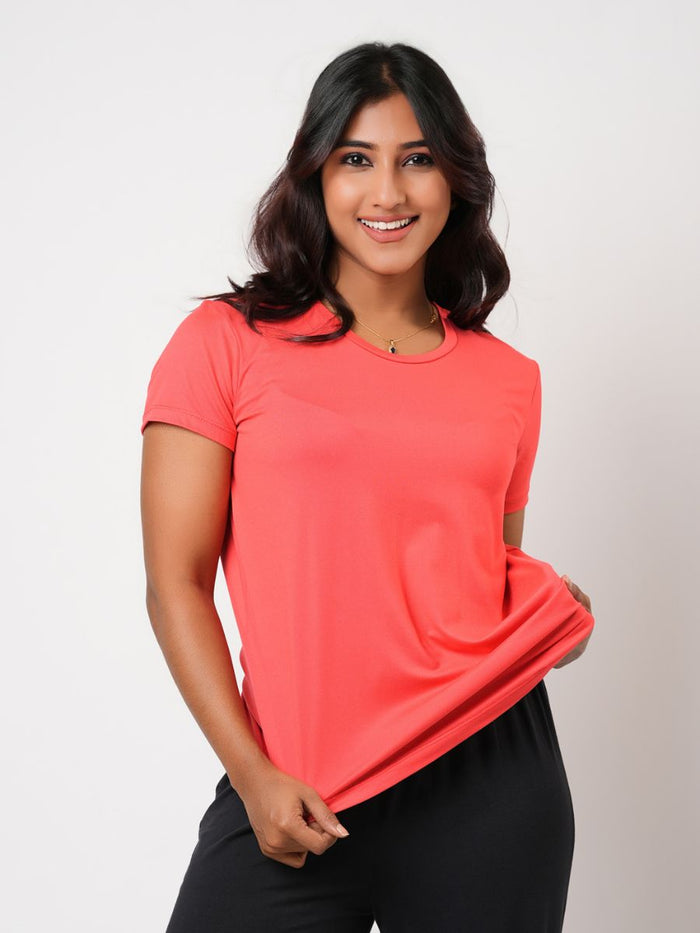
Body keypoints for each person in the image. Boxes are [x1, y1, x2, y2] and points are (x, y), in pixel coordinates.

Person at [140, 41, 594, 932]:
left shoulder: (510, 380)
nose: (387, 193)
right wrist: (252, 775)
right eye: (356, 159)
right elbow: (175, 584)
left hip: (491, 775)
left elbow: (483, 568)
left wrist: (552, 617)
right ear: (315, 174)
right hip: (296, 779)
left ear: (455, 179)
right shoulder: (225, 342)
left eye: (416, 160)